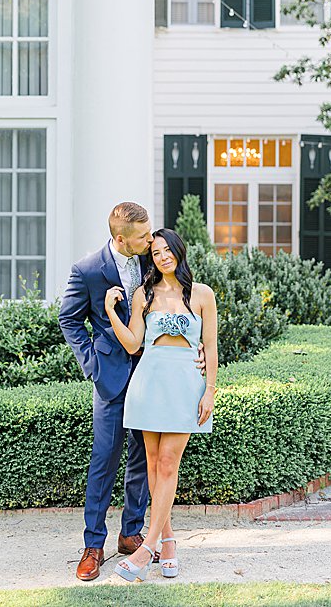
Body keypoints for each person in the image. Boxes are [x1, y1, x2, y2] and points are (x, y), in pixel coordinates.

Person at [59, 202, 206, 581]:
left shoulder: (151, 261)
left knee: (145, 463)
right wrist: (92, 363)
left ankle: (132, 534)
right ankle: (94, 544)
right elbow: (69, 319)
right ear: (121, 238)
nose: (151, 241)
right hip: (109, 377)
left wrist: (197, 348)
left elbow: (182, 307)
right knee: (104, 461)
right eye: (143, 236)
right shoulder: (88, 270)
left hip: (154, 378)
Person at [105, 227, 218, 582]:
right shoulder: (144, 294)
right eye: (155, 253)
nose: (163, 256)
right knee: (154, 467)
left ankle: (147, 546)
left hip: (184, 382)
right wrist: (111, 312)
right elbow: (133, 344)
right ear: (150, 258)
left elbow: (211, 346)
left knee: (169, 463)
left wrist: (209, 390)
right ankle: (167, 541)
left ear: (179, 252)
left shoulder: (202, 294)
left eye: (168, 250)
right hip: (149, 381)